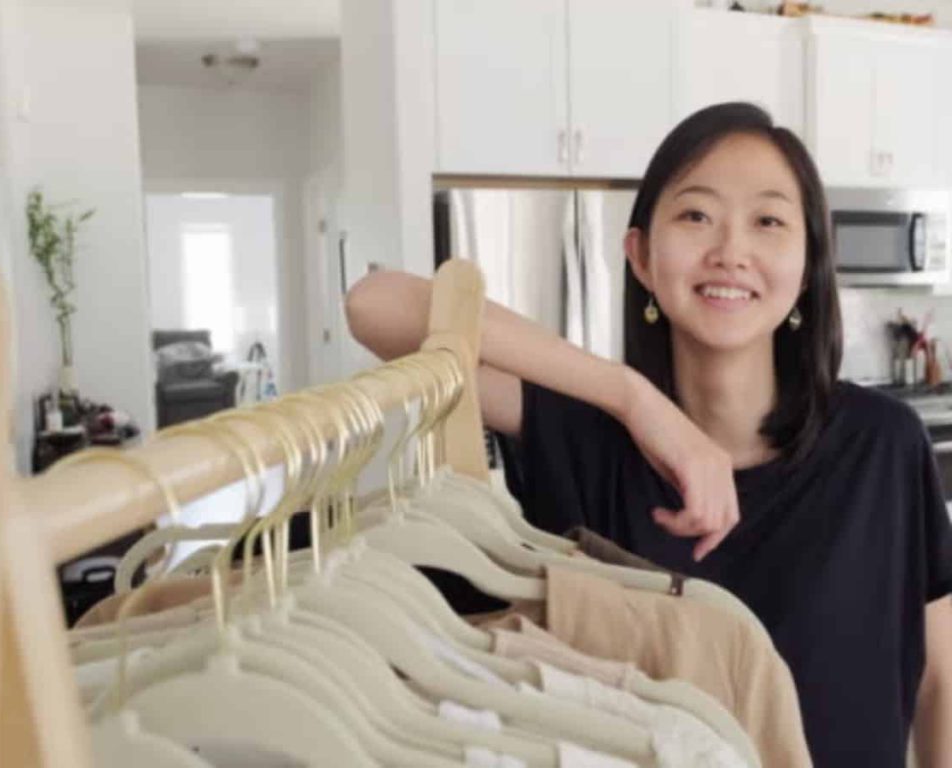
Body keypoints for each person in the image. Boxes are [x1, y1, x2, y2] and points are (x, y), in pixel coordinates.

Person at [345, 102, 952, 767]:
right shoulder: (586, 434)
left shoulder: (883, 446)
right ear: (639, 256)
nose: (731, 252)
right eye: (696, 215)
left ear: (809, 260)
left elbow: (940, 678)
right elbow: (375, 307)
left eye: (769, 221)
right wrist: (634, 400)